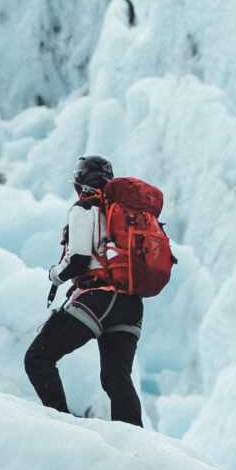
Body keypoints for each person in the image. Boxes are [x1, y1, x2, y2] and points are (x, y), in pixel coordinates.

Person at [24, 155, 144, 425]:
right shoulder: (126, 215)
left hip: (97, 300)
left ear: (80, 182)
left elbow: (78, 258)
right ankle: (138, 446)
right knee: (116, 379)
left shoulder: (84, 209)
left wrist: (55, 275)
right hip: (130, 305)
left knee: (38, 358)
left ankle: (62, 426)